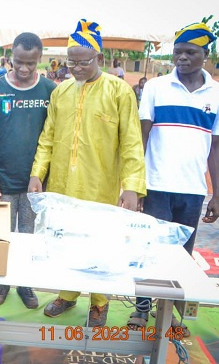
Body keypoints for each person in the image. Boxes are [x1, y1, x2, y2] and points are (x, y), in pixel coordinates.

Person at [28, 19, 146, 327]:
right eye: (72, 63)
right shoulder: (61, 92)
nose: (77, 69)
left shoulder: (119, 92)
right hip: (64, 185)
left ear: (100, 59)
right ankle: (67, 295)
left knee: (99, 243)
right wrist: (38, 172)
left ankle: (99, 301)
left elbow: (132, 142)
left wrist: (132, 186)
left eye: (84, 62)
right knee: (67, 239)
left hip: (101, 186)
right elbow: (48, 137)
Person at [127, 23, 219, 335]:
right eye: (178, 52)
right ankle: (142, 307)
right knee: (151, 250)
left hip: (192, 190)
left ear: (206, 54)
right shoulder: (156, 88)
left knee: (181, 256)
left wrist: (217, 194)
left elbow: (217, 147)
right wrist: (136, 184)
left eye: (190, 52)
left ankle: (170, 314)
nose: (182, 58)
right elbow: (142, 136)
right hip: (157, 187)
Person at [0, 32, 56, 309]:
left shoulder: (49, 90)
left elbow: (52, 136)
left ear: (40, 60)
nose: (24, 69)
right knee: (2, 235)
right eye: (18, 63)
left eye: (31, 64)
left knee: (27, 235)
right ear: (10, 58)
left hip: (34, 182)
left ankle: (25, 284)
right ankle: (3, 282)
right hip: (3, 179)